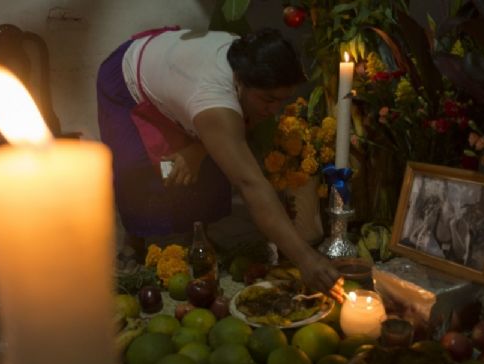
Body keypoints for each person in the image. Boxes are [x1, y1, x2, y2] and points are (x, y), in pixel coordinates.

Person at [96, 27, 343, 301]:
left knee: (212, 162)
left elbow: (226, 133)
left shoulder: (248, 58)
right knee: (141, 175)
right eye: (268, 99)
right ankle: (137, 241)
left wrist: (197, 150)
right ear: (239, 83)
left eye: (281, 99)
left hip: (178, 76)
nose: (275, 110)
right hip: (126, 79)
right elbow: (250, 184)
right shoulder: (213, 97)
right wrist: (306, 258)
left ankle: (198, 238)